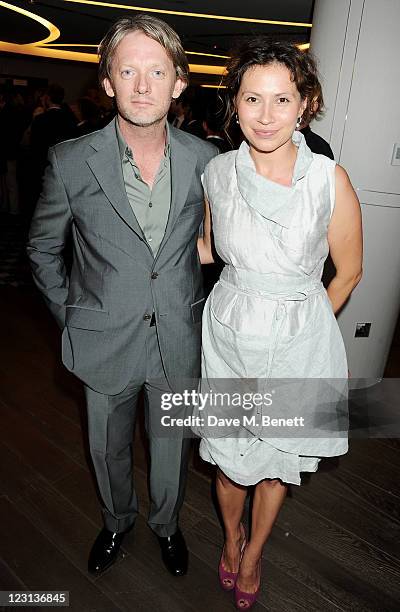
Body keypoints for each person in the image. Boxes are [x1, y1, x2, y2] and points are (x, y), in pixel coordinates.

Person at [27, 14, 216, 578]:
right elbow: (41, 250)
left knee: (170, 445)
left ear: (178, 82)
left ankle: (166, 524)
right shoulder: (70, 161)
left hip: (177, 335)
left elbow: (212, 245)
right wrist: (74, 318)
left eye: (156, 71)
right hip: (101, 338)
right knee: (106, 449)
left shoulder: (208, 162)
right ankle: (116, 521)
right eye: (127, 70)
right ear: (107, 82)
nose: (141, 85)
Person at [196, 39, 362, 609]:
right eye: (252, 99)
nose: (266, 116)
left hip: (297, 342)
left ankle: (253, 551)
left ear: (304, 103)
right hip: (228, 337)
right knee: (228, 462)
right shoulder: (216, 173)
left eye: (282, 99)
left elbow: (349, 271)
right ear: (234, 105)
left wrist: (305, 327)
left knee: (274, 466)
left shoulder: (328, 180)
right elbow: (210, 251)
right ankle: (230, 535)